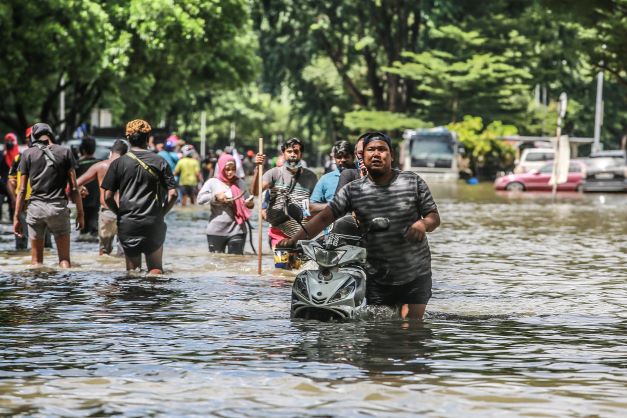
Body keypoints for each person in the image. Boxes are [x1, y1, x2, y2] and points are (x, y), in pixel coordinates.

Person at [278, 132, 441, 320]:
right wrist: (293, 240)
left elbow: (434, 217)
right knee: (378, 334)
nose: (376, 154)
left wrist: (423, 224)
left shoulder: (412, 181)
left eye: (382, 149)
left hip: (415, 271)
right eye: (371, 150)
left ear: (392, 155)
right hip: (377, 274)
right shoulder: (353, 190)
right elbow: (324, 219)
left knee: (410, 328)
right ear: (362, 157)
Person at [101, 119, 178, 274]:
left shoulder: (118, 163)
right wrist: (161, 214)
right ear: (148, 138)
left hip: (128, 223)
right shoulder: (160, 161)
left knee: (133, 272)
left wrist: (120, 214)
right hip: (153, 221)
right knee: (156, 270)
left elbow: (107, 196)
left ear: (128, 138)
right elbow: (173, 194)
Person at [13, 123, 84, 267]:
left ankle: (38, 288)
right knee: (64, 260)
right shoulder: (65, 152)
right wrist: (81, 213)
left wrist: (16, 217)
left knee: (36, 262)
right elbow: (74, 188)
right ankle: (64, 286)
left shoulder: (28, 154)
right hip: (58, 208)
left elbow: (21, 190)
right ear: (51, 135)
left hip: (36, 209)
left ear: (34, 137)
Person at [252, 137, 318, 248]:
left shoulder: (311, 177)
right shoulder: (274, 173)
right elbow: (256, 192)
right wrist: (258, 169)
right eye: (289, 151)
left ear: (301, 154)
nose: (293, 154)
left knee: (300, 266)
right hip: (279, 233)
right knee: (282, 265)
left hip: (302, 235)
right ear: (283, 153)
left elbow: (315, 204)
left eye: (296, 151)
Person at [77, 139, 128, 255]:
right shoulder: (130, 167)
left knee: (104, 254)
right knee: (125, 254)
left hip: (107, 212)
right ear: (125, 154)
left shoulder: (100, 166)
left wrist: (82, 189)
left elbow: (76, 184)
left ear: (111, 152)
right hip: (126, 213)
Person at [197, 153, 254, 254]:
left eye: (233, 169)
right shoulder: (212, 182)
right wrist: (216, 197)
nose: (230, 172)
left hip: (238, 229)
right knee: (216, 261)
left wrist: (249, 204)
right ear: (221, 168)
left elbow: (248, 201)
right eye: (227, 169)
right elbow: (200, 200)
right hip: (216, 230)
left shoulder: (240, 182)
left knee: (236, 261)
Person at [7, 127, 53, 250]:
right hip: (25, 203)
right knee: (23, 239)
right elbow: (11, 181)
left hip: (41, 202)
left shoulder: (48, 155)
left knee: (45, 242)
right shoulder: (19, 158)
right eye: (30, 138)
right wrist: (13, 199)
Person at [310, 140, 354, 214]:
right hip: (332, 224)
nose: (342, 160)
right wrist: (334, 205)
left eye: (346, 156)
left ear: (353, 156)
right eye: (339, 157)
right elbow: (311, 207)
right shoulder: (325, 179)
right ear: (334, 159)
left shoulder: (362, 175)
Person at [75, 137, 101, 237]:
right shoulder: (100, 163)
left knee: (83, 228)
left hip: (81, 200)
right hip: (96, 200)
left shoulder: (77, 164)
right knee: (94, 228)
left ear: (83, 150)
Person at [1, 132, 20, 221]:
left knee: (14, 205)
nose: (9, 143)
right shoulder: (1, 154)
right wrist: (3, 155)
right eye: (7, 141)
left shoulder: (19, 155)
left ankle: (15, 224)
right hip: (2, 184)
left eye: (11, 140)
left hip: (14, 185)